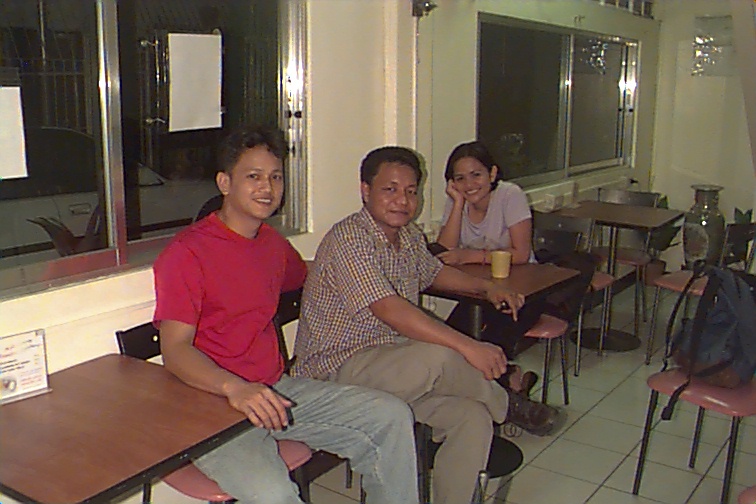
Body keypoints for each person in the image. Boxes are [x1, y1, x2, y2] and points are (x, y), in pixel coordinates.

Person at [152, 126, 419, 504]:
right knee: (276, 495)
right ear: (225, 182)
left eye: (275, 177)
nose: (267, 187)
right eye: (254, 176)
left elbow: (309, 273)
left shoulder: (271, 244)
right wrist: (235, 389)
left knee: (390, 416)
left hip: (275, 390)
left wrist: (351, 271)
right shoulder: (186, 254)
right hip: (210, 405)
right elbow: (175, 350)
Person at [292, 146, 560, 504]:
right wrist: (469, 347)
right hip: (336, 373)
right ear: (365, 191)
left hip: (392, 367)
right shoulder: (349, 239)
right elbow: (390, 309)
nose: (403, 201)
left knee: (472, 416)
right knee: (442, 355)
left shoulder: (407, 236)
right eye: (390, 189)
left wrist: (486, 287)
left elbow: (435, 272)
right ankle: (509, 404)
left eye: (411, 191)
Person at [436, 141, 595, 384]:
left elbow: (520, 254)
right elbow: (445, 252)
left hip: (524, 289)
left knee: (491, 345)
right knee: (451, 342)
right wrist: (457, 204)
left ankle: (506, 385)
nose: (469, 184)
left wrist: (469, 256)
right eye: (460, 178)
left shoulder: (510, 195)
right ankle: (512, 381)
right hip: (481, 291)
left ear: (492, 173)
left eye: (476, 175)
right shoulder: (457, 200)